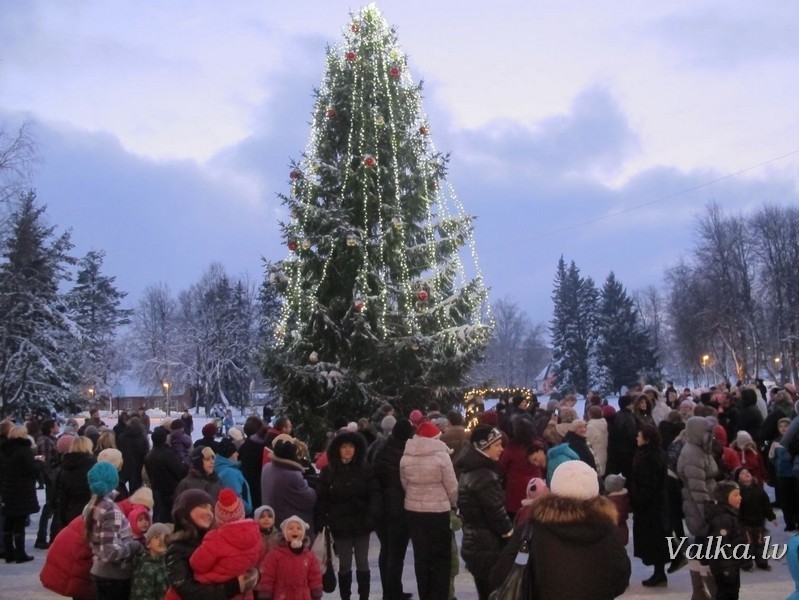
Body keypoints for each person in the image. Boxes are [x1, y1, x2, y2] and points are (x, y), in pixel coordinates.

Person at [490, 460, 631, 599]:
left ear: (554, 488)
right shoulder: (607, 529)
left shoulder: (531, 529)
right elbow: (621, 577)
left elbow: (500, 575)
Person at [315, 430, 378, 600]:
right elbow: (322, 498)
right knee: (345, 565)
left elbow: (374, 494)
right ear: (337, 449)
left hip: (362, 522)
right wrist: (323, 519)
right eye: (344, 447)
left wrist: (372, 517)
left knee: (363, 562)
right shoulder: (329, 471)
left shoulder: (365, 469)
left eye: (351, 446)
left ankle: (364, 597)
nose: (348, 450)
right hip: (340, 524)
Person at [400, 421, 458, 600]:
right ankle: (440, 595)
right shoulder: (442, 457)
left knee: (421, 556)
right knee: (441, 557)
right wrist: (453, 504)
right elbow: (452, 487)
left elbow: (405, 483)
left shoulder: (406, 456)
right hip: (438, 511)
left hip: (413, 511)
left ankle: (425, 595)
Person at [165, 489, 259, 599]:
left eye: (211, 509)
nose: (209, 513)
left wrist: (253, 575)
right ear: (185, 511)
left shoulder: (218, 540)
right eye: (203, 506)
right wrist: (235, 586)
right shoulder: (177, 548)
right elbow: (186, 590)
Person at [455, 425, 513, 600]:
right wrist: (510, 536)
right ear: (483, 447)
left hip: (474, 543)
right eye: (497, 445)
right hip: (488, 546)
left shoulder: (469, 471)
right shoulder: (485, 477)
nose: (501, 449)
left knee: (484, 591)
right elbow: (496, 513)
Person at [83, 461, 143, 599]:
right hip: (114, 575)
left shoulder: (91, 505)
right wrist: (135, 546)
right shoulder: (110, 510)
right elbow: (110, 552)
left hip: (100, 571)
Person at [372, 418, 415, 600]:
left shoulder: (381, 448)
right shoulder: (406, 453)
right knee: (396, 554)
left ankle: (391, 591)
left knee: (387, 550)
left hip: (380, 508)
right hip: (398, 509)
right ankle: (392, 593)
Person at [677, 416, 719, 600]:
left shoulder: (699, 449)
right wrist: (708, 513)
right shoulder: (693, 453)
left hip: (703, 502)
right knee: (706, 549)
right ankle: (712, 591)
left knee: (700, 547)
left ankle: (699, 591)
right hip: (700, 506)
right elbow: (697, 488)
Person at [630, 425, 670, 587]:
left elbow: (647, 483)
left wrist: (637, 500)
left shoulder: (649, 457)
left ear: (646, 439)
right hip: (657, 502)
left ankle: (659, 573)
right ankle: (659, 571)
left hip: (650, 505)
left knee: (654, 539)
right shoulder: (656, 453)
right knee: (658, 537)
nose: (637, 438)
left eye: (639, 436)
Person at [1, 425, 42, 563]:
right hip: (22, 490)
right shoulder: (24, 450)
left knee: (9, 521)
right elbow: (31, 470)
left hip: (7, 488)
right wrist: (39, 463)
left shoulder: (5, 450)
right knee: (19, 522)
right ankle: (20, 553)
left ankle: (8, 552)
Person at [259, 515, 323, 600]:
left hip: (303, 595)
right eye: (290, 528)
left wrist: (316, 590)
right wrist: (266, 591)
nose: (295, 531)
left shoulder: (309, 556)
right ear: (285, 533)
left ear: (303, 533)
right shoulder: (275, 554)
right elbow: (267, 575)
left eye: (299, 528)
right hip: (281, 595)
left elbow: (315, 575)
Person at [261, 437, 317, 530]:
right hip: (290, 525)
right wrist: (311, 486)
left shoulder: (267, 467)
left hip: (272, 517)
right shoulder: (292, 475)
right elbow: (309, 500)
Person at [705, 481, 746, 600]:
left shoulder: (730, 514)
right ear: (724, 497)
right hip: (725, 566)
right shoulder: (723, 519)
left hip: (731, 564)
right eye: (735, 495)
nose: (740, 498)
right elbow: (720, 545)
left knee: (731, 592)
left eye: (739, 494)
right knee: (727, 593)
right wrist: (727, 568)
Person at [734, 466, 776, 571]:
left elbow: (766, 505)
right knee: (747, 544)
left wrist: (772, 517)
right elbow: (735, 508)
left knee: (760, 543)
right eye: (742, 473)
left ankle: (762, 563)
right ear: (738, 479)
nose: (746, 474)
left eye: (748, 472)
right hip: (744, 524)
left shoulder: (759, 489)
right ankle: (747, 564)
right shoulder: (737, 492)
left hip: (759, 522)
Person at [144, 426, 188, 523]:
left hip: (156, 490)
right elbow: (180, 471)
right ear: (164, 439)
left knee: (158, 514)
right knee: (168, 516)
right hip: (170, 492)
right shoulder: (168, 454)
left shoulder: (149, 456)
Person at [130, 523, 171, 600]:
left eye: (165, 537)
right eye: (156, 537)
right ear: (148, 544)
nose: (161, 540)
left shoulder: (169, 564)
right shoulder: (145, 568)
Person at [214, 437, 253, 517]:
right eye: (235, 452)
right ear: (230, 454)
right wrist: (247, 508)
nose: (237, 454)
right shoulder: (230, 473)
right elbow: (235, 497)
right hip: (237, 515)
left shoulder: (220, 467)